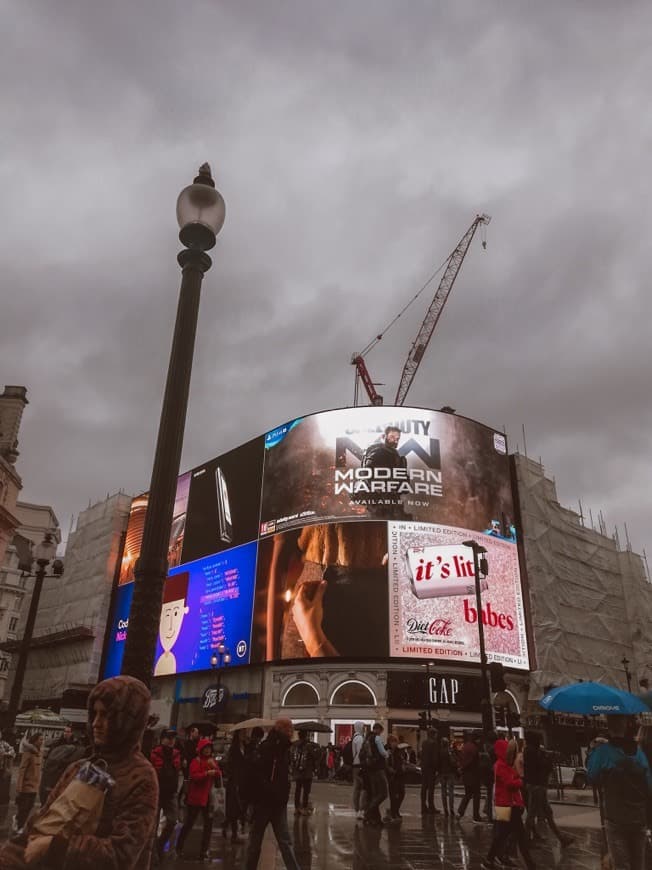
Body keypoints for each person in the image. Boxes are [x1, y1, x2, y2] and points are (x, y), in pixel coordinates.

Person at [0, 675, 159, 869]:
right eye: (95, 714)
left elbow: (121, 854)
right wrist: (10, 857)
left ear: (127, 720)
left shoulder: (141, 777)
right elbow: (41, 824)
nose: (96, 723)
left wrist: (55, 848)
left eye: (106, 715)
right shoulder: (78, 767)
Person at [587, 715, 652, 870]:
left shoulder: (603, 752)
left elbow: (592, 777)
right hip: (638, 817)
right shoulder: (638, 752)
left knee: (622, 865)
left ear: (609, 726)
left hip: (615, 818)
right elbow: (649, 785)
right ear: (625, 725)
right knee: (638, 865)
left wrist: (592, 752)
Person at [243, 718, 301, 870]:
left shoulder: (282, 748)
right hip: (266, 802)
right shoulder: (271, 748)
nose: (291, 732)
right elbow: (259, 775)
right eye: (289, 729)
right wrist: (271, 790)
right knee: (264, 841)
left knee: (274, 841)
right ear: (283, 730)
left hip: (276, 802)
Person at [483, 738, 535, 870]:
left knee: (502, 835)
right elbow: (509, 784)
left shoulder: (503, 765)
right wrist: (520, 781)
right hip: (507, 805)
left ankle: (490, 859)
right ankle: (530, 865)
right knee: (518, 836)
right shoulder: (501, 766)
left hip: (507, 804)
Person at [523, 731, 572, 848]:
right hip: (537, 786)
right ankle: (524, 840)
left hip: (537, 786)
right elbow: (543, 767)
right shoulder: (532, 752)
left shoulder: (532, 751)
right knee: (532, 814)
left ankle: (561, 838)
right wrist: (548, 759)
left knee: (547, 813)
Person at [176, 737, 220, 861]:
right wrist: (206, 773)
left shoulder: (212, 761)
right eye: (205, 748)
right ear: (201, 749)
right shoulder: (196, 761)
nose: (207, 751)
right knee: (189, 823)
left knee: (208, 825)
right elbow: (194, 776)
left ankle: (204, 850)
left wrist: (214, 769)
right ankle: (179, 846)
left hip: (207, 798)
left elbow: (218, 774)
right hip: (195, 798)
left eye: (209, 748)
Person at [151, 728, 182, 859]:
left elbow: (179, 773)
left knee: (172, 821)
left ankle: (160, 844)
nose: (171, 741)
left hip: (171, 794)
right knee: (153, 825)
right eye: (168, 738)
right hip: (157, 793)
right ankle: (153, 855)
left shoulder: (177, 754)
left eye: (173, 738)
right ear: (162, 739)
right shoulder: (155, 753)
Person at [361, 723, 389, 827]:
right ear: (378, 729)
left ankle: (375, 818)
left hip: (370, 770)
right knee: (383, 794)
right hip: (378, 768)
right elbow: (383, 753)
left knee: (375, 794)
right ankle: (368, 812)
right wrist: (388, 753)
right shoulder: (376, 738)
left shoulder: (367, 738)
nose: (381, 733)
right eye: (381, 731)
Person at [14, 733, 43, 832]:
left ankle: (18, 821)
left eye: (42, 740)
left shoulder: (39, 753)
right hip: (26, 786)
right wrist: (19, 787)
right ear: (35, 741)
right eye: (40, 740)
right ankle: (19, 826)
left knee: (29, 807)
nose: (41, 742)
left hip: (34, 787)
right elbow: (22, 770)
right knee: (24, 808)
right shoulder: (28, 753)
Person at [223, 731, 246, 842]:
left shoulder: (244, 746)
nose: (244, 736)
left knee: (234, 807)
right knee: (234, 807)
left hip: (240, 780)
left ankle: (226, 825)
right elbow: (230, 765)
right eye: (242, 734)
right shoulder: (234, 748)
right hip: (234, 781)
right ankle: (234, 834)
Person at [290, 729, 319, 815]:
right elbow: (315, 756)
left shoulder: (294, 745)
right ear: (306, 735)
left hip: (297, 771)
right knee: (306, 791)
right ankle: (304, 808)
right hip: (307, 771)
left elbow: (291, 756)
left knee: (298, 789)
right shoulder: (309, 745)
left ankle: (297, 808)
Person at [457, 731, 482, 823]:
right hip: (474, 775)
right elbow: (474, 762)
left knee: (468, 794)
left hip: (466, 775)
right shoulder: (474, 748)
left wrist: (462, 768)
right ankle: (476, 815)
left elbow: (462, 760)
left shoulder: (466, 746)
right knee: (476, 795)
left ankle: (461, 810)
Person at [385, 735, 406, 821]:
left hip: (399, 774)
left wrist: (403, 765)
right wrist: (389, 769)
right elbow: (386, 763)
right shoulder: (387, 751)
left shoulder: (398, 751)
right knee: (393, 795)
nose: (394, 743)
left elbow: (401, 760)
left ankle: (395, 810)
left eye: (395, 741)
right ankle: (393, 812)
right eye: (392, 741)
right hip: (392, 776)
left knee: (401, 793)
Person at [420, 728, 440, 814]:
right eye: (436, 734)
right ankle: (431, 807)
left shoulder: (424, 743)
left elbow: (422, 755)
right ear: (433, 734)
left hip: (424, 767)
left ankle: (423, 806)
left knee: (424, 787)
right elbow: (435, 758)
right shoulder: (434, 743)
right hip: (431, 768)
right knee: (431, 788)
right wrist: (436, 769)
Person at [479, 732, 497, 823]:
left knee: (490, 796)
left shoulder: (490, 751)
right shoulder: (495, 749)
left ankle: (490, 814)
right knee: (491, 795)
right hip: (494, 775)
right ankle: (490, 813)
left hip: (491, 776)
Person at [351, 721, 367, 820]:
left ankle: (357, 810)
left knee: (356, 788)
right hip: (361, 764)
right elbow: (362, 753)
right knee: (364, 788)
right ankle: (361, 810)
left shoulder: (354, 738)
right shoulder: (360, 738)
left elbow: (354, 753)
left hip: (355, 764)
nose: (364, 729)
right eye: (363, 727)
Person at [438, 737, 457, 817]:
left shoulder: (439, 752)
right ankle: (451, 809)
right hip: (450, 773)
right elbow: (453, 762)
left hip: (442, 773)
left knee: (443, 792)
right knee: (451, 792)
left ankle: (445, 809)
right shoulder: (450, 751)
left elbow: (437, 762)